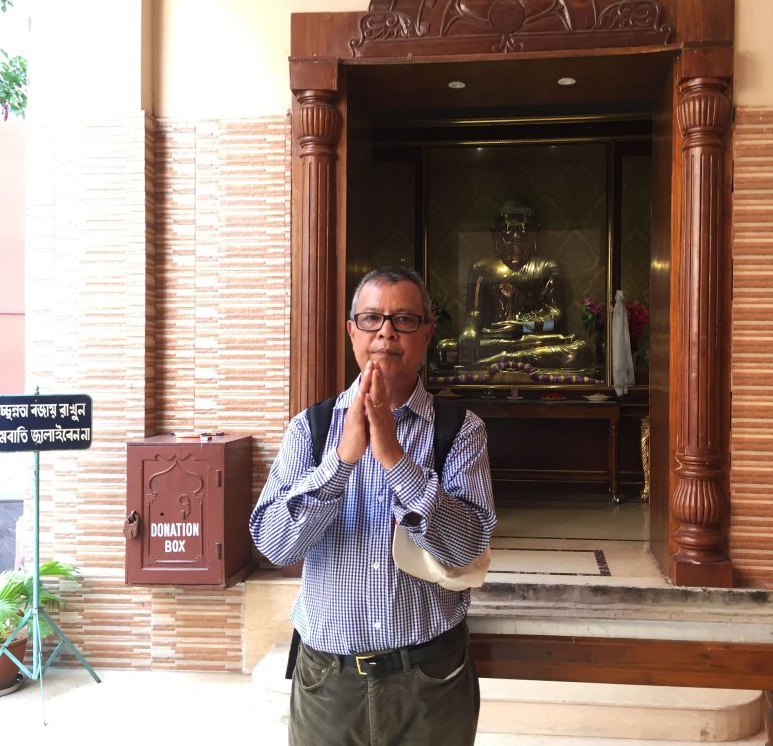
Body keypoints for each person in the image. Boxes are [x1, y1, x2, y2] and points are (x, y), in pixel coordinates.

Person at [250, 266, 496, 746]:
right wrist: (341, 461)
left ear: (427, 333)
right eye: (371, 318)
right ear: (351, 332)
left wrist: (394, 457)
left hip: (431, 676)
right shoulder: (311, 429)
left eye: (404, 319)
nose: (386, 331)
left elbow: (465, 548)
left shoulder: (460, 430)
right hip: (328, 679)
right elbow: (274, 545)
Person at [434, 197, 592, 373]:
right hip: (494, 339)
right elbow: (474, 313)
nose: (516, 238)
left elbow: (556, 318)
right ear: (496, 234)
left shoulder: (547, 267)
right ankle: (506, 358)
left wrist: (522, 326)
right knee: (445, 350)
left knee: (578, 351)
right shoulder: (482, 269)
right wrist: (469, 332)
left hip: (533, 340)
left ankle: (502, 360)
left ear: (535, 234)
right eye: (508, 232)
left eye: (523, 231)